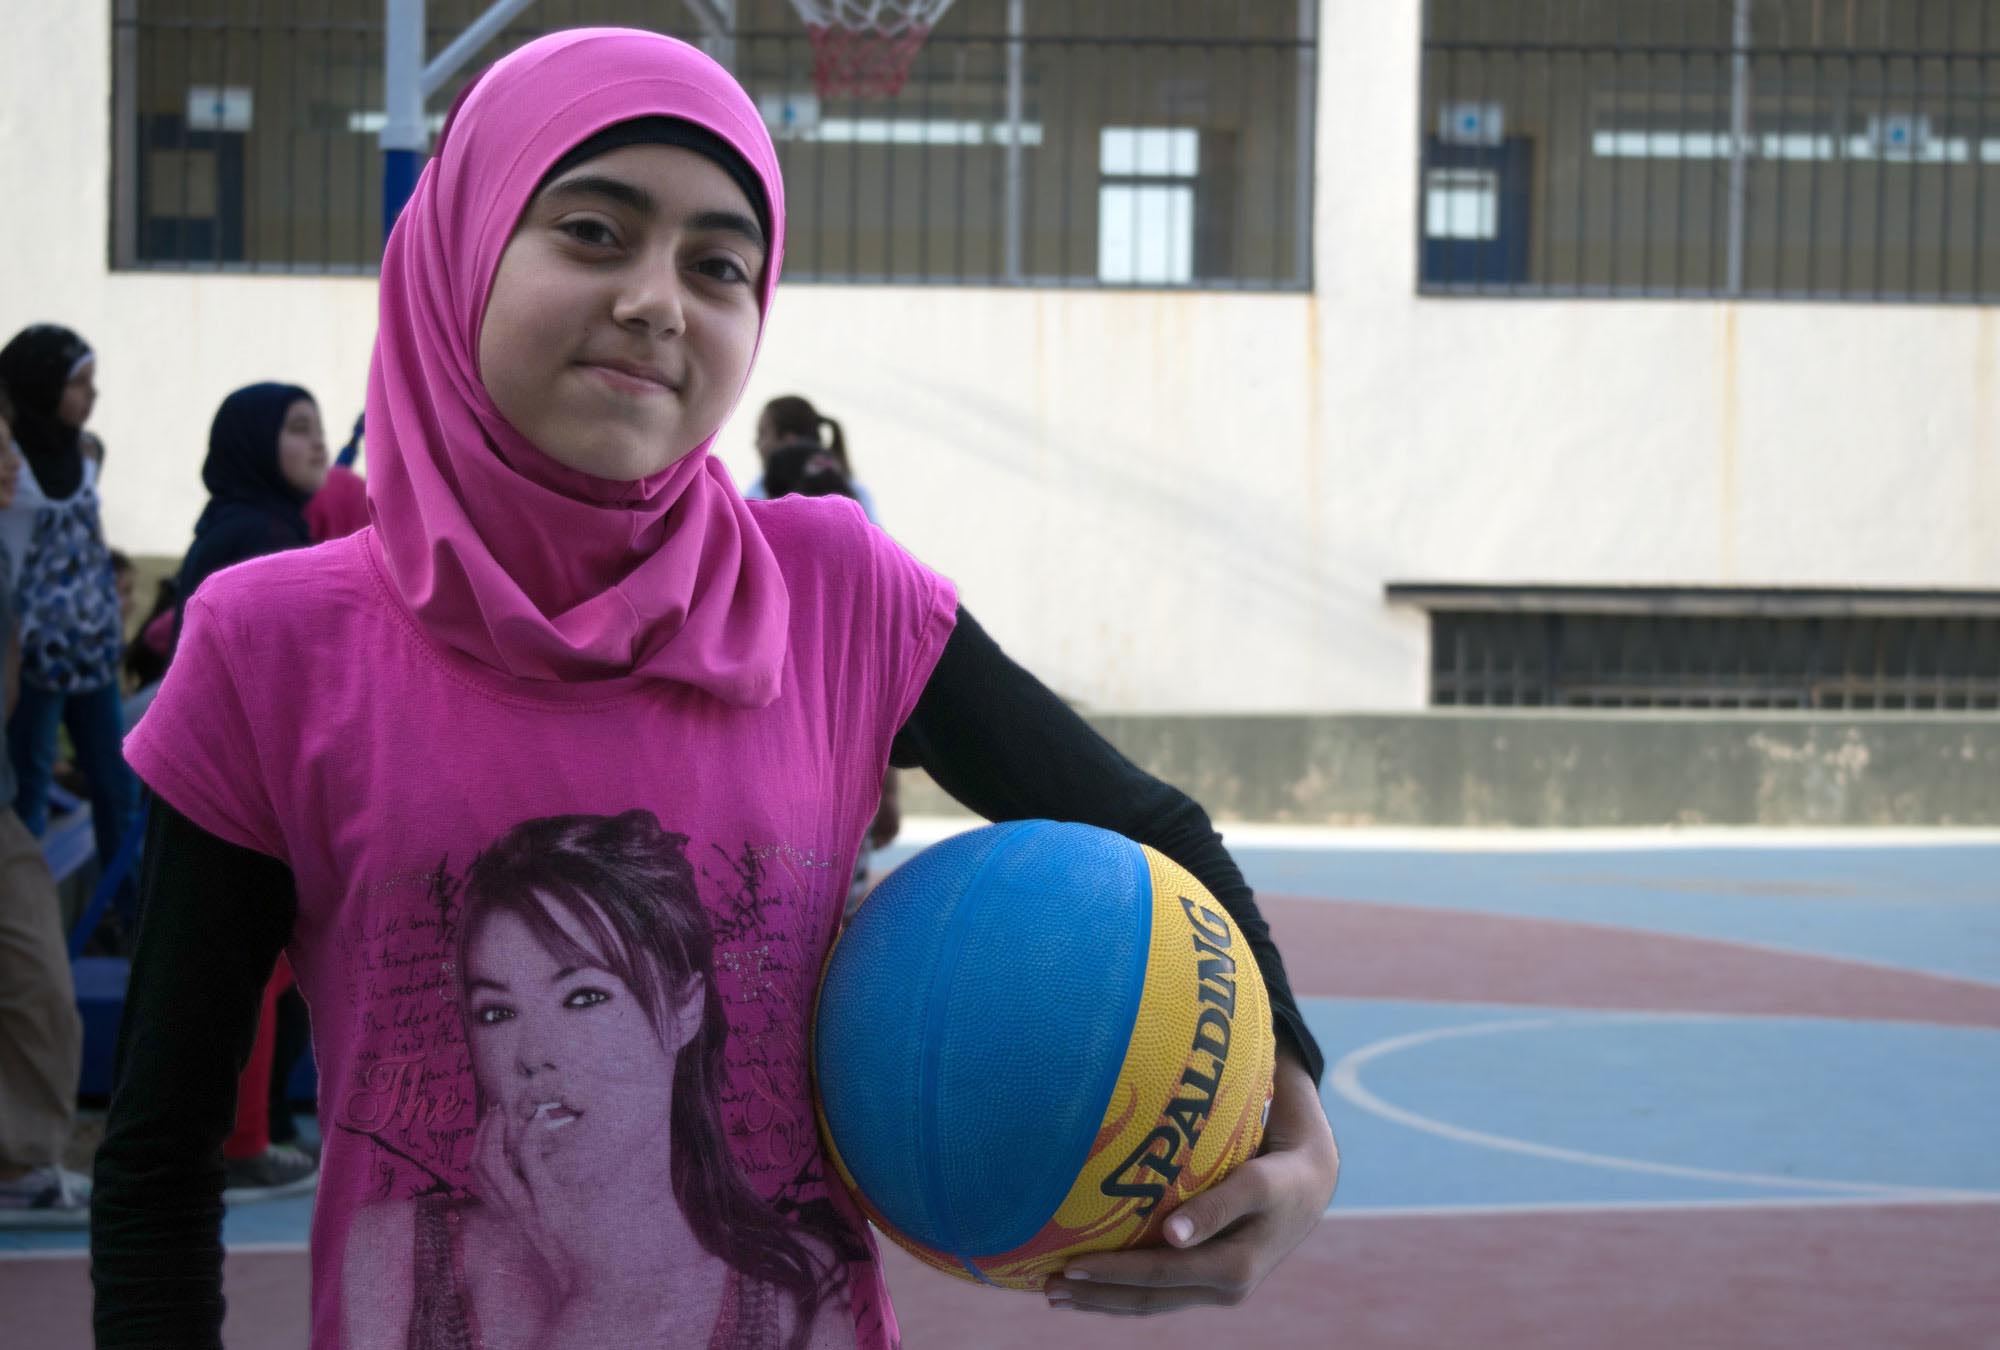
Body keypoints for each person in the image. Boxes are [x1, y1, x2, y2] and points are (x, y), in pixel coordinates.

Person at [92, 30, 1336, 1349]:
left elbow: (1156, 830)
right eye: (590, 230)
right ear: (460, 247)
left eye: (719, 264)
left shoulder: (839, 590)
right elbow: (162, 1159)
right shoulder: (271, 643)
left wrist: (1298, 1131)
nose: (656, 301)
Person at [345, 811, 847, 1349]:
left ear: (687, 1007)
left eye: (584, 997)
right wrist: (599, 1304)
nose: (532, 1057)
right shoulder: (395, 1254)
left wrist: (606, 1293)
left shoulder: (795, 1286)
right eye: (496, 1012)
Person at [175, 383, 331, 1197]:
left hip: (229, 779)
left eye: (319, 428)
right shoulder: (259, 538)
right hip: (244, 788)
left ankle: (253, 1128)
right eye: (297, 429)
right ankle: (241, 1143)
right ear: (251, 440)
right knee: (258, 976)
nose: (316, 443)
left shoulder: (245, 526)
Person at [0, 325, 138, 911]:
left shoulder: (84, 456)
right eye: (77, 384)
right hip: (35, 659)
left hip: (92, 650)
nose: (91, 396)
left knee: (117, 784)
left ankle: (126, 914)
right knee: (30, 788)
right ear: (41, 385)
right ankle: (29, 915)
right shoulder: (11, 468)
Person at [0, 381, 91, 1222]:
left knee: (36, 983)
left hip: (6, 801)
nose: (9, 460)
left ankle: (22, 1162)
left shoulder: (16, 541)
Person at [745, 394, 880, 523]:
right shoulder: (857, 493)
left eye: (762, 434)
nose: (756, 444)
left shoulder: (760, 492)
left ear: (789, 440)